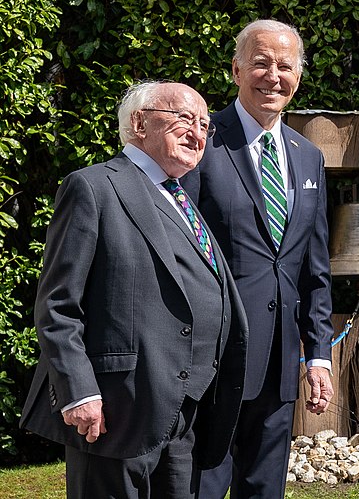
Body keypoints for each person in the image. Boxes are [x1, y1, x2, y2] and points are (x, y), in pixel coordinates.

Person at [20, 81, 248, 498]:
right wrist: (79, 391)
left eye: (204, 124)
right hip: (115, 411)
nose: (197, 132)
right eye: (184, 118)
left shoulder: (181, 199)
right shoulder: (93, 187)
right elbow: (57, 305)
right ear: (140, 122)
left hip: (183, 413)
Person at [182, 19, 334, 498]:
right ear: (236, 70)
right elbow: (179, 251)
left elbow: (314, 267)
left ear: (299, 77)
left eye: (285, 66)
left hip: (279, 364)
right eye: (261, 63)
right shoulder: (201, 144)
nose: (273, 76)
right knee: (199, 488)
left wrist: (319, 355)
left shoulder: (308, 156)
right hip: (211, 361)